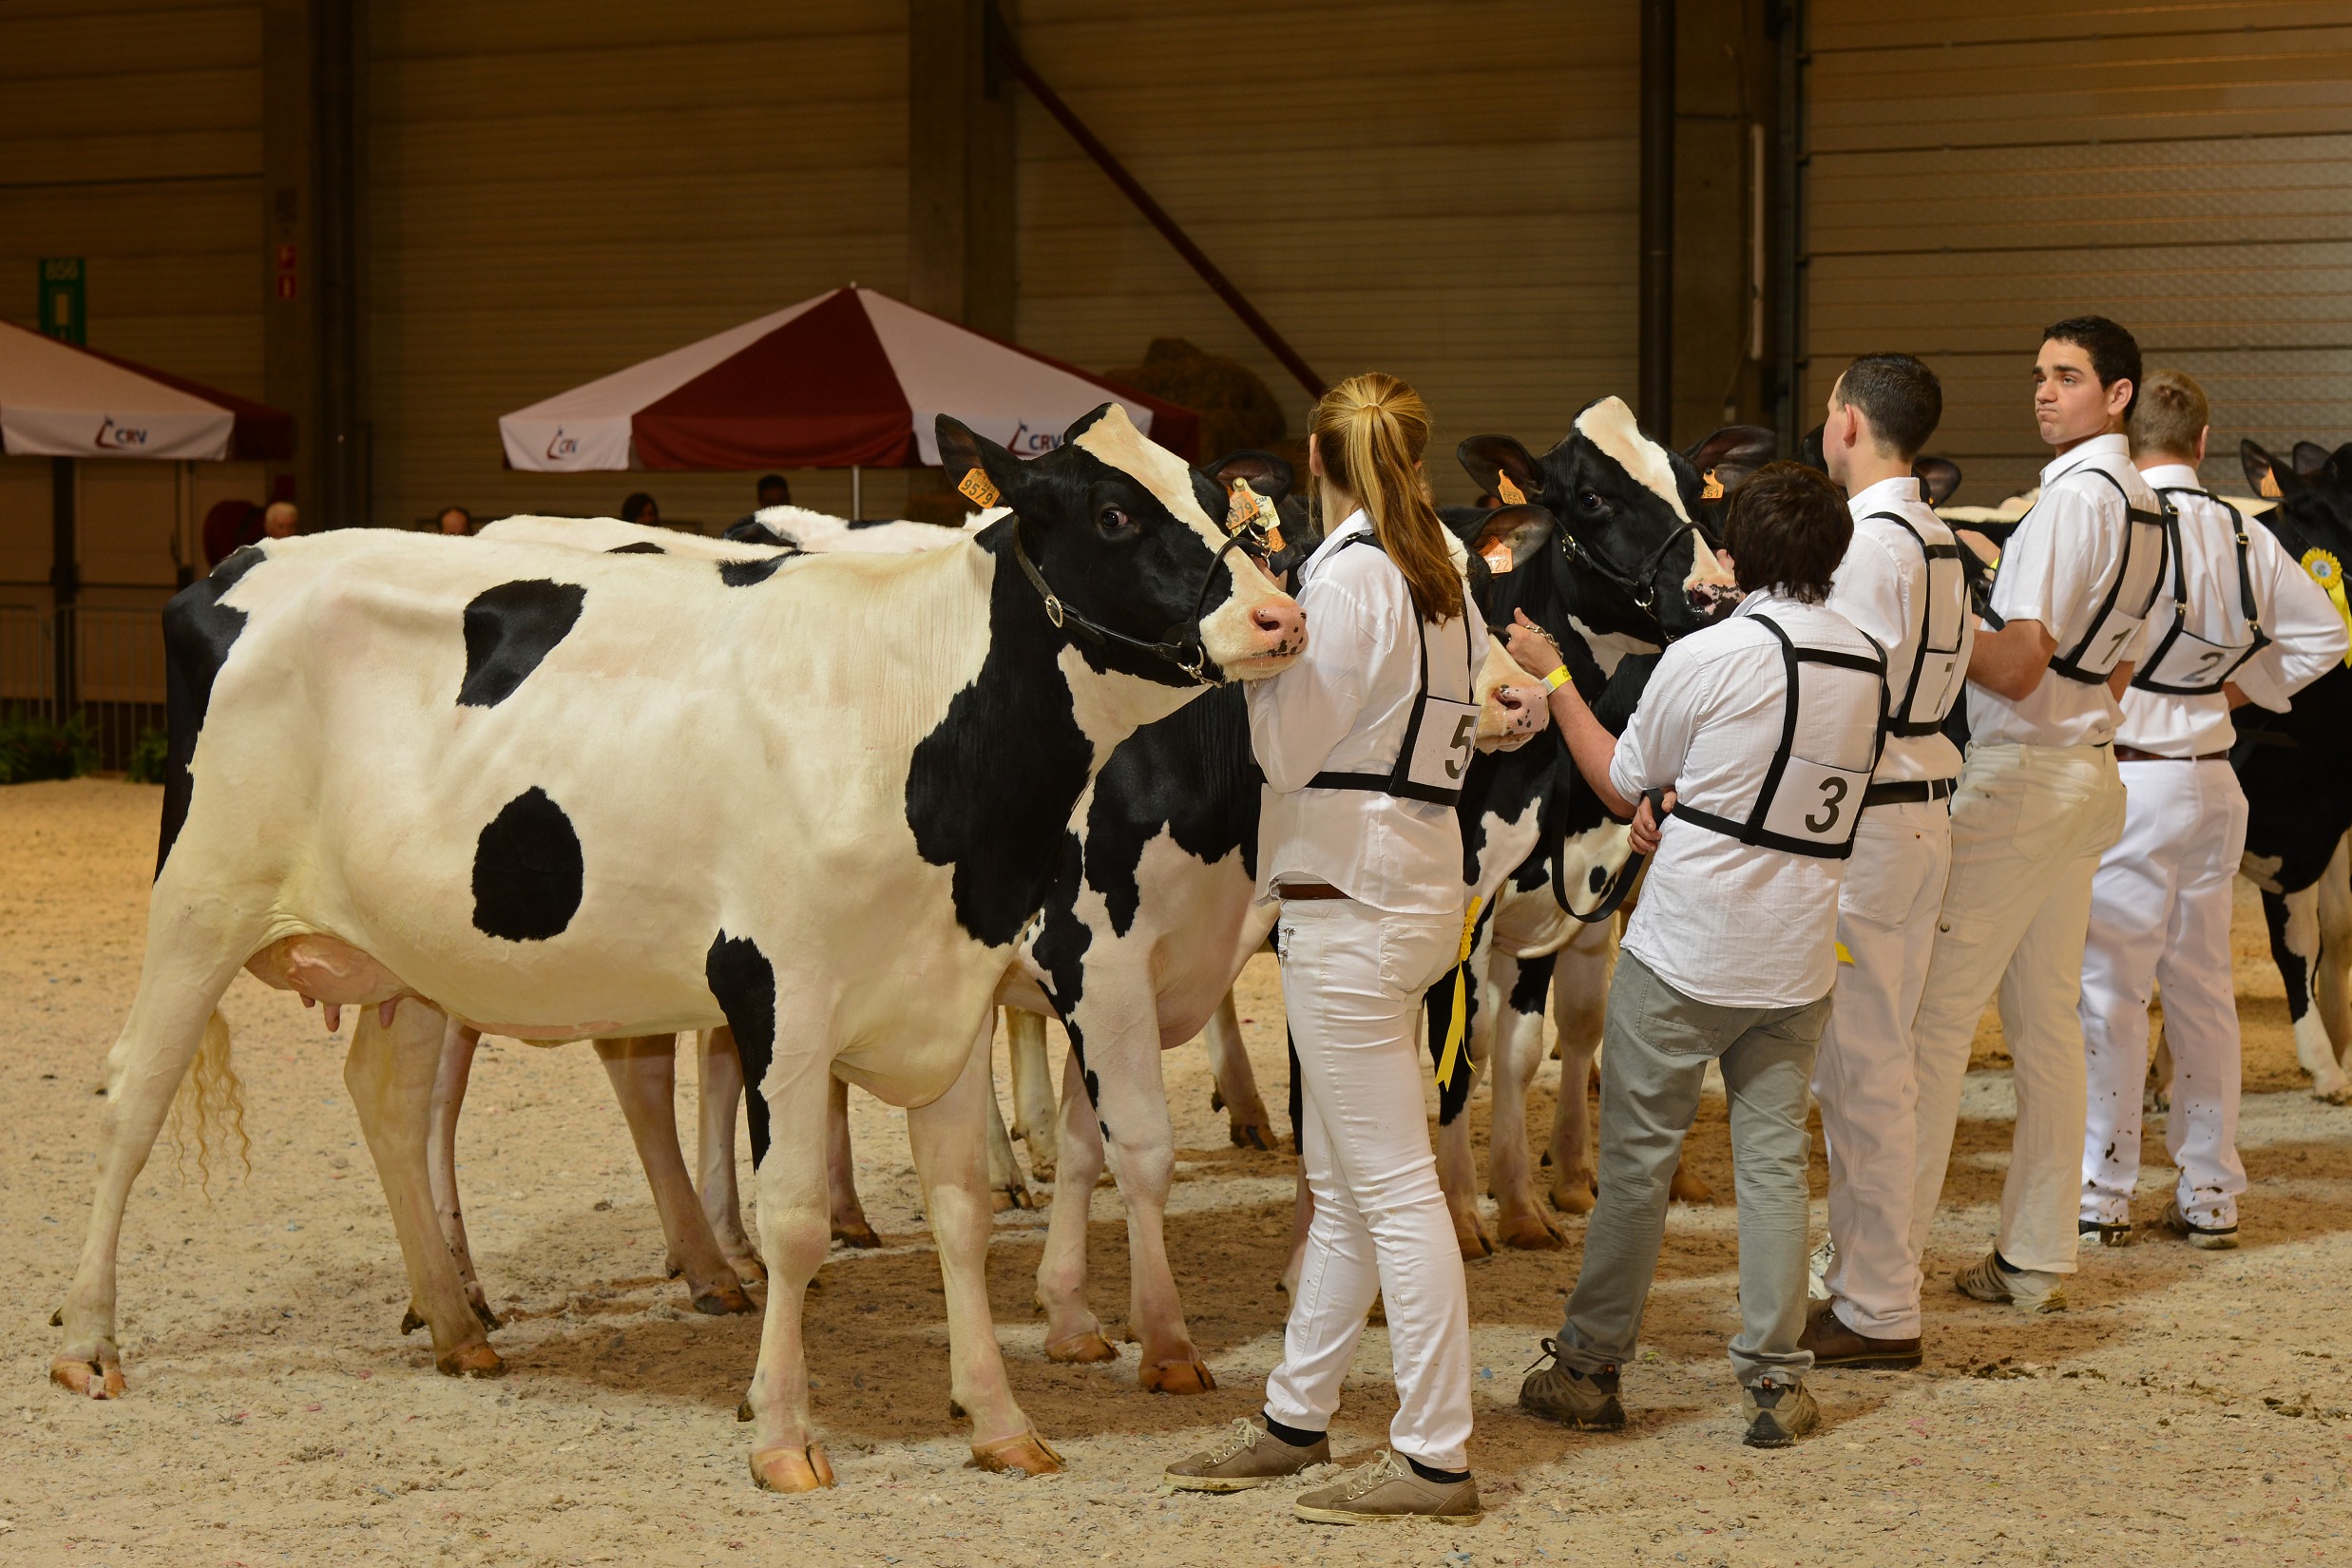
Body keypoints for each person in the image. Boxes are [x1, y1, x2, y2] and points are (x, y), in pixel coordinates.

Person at [1163, 373, 1484, 1524]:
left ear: (1313, 457)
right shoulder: (1442, 566)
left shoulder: (1350, 575)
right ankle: (1299, 1418)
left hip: (1349, 885)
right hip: (1414, 875)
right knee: (1349, 1182)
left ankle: (1438, 1453)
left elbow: (1286, 755)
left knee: (1392, 1188)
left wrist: (1265, 663)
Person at [1514, 461, 1887, 1448]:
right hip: (1799, 948)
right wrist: (1685, 808)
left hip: (1688, 949)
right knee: (1772, 1165)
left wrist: (1554, 680)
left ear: (1734, 554)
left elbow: (1620, 775)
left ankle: (1590, 1367)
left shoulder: (1709, 655)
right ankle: (1775, 1381)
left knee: (1636, 1165)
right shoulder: (1865, 658)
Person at [1907, 316, 2168, 1317]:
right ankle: (2032, 1257)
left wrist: (1934, 619)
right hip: (2085, 768)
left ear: (2119, 395)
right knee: (2046, 1024)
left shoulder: (2070, 503)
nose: (2042, 392)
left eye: (2067, 377)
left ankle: (1874, 1272)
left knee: (1929, 1018)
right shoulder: (2146, 505)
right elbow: (2120, 661)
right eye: (2038, 376)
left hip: (2022, 776)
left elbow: (2014, 666)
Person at [2077, 370, 2345, 1251]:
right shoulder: (2242, 530)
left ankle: (2103, 1191)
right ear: (2201, 443)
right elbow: (2325, 635)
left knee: (2111, 991)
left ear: (2126, 437)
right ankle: (2208, 1193)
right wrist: (2237, 693)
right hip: (2211, 778)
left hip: (2129, 776)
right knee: (2202, 991)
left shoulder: (2111, 520)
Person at [1799, 354, 1974, 1371]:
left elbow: (1842, 694)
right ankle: (1871, 1290)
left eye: (1830, 409)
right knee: (1880, 1064)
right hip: (1919, 808)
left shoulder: (1872, 541)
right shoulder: (1937, 535)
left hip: (1870, 822)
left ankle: (1877, 1307)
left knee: (1863, 1073)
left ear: (1850, 423)